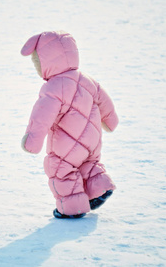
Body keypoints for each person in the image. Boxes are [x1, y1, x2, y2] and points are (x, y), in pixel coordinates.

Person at [21, 31, 119, 219]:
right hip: (93, 139)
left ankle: (72, 208)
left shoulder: (53, 88)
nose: (37, 69)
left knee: (59, 168)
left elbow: (41, 117)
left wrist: (32, 142)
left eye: (37, 63)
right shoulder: (87, 79)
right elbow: (105, 101)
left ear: (47, 62)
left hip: (66, 143)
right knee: (88, 164)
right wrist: (110, 121)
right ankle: (100, 187)